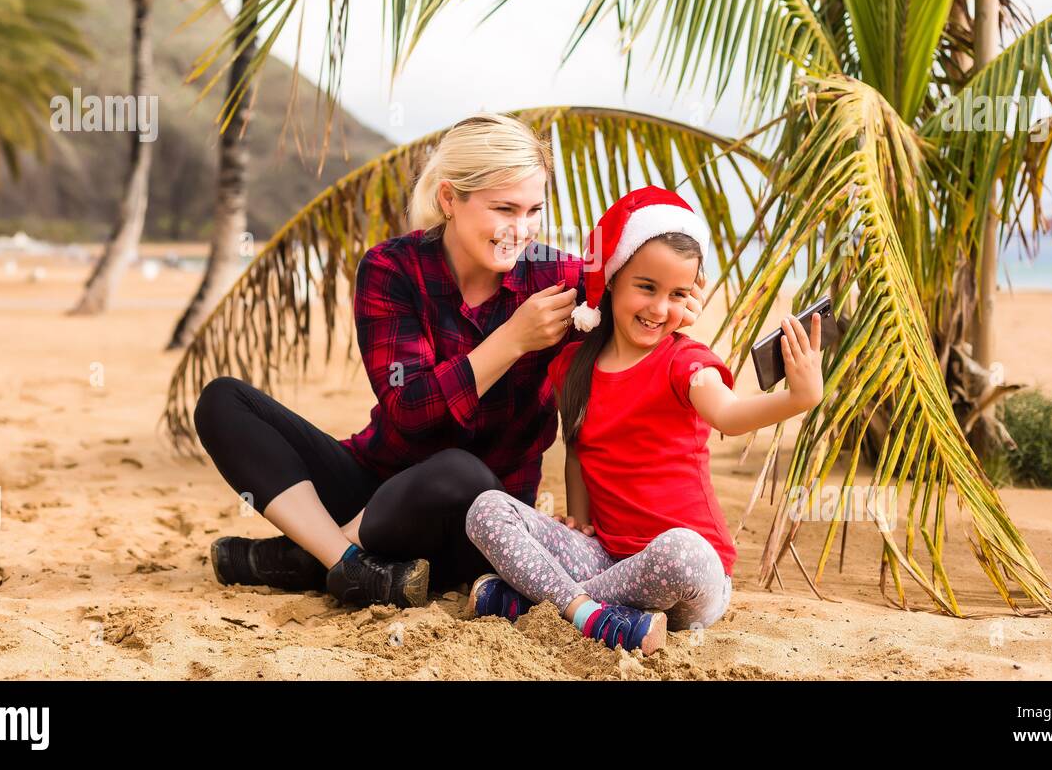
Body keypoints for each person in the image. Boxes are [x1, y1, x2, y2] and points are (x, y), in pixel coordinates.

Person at [192, 116, 708, 607]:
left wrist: (676, 304)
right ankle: (346, 562)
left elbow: (636, 300)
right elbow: (409, 411)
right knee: (223, 401)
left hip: (476, 517)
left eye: (534, 211)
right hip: (376, 481)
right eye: (504, 209)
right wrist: (511, 340)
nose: (521, 229)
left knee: (460, 472)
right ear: (449, 199)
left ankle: (309, 556)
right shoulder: (391, 268)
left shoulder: (562, 282)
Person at [464, 185, 825, 652]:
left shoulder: (686, 362)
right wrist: (578, 516)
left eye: (677, 294)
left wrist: (798, 399)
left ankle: (540, 604)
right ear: (613, 280)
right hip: (608, 559)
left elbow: (729, 415)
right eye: (647, 287)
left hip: (691, 576)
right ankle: (598, 616)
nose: (659, 309)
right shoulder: (574, 366)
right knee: (486, 509)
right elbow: (578, 450)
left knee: (683, 550)